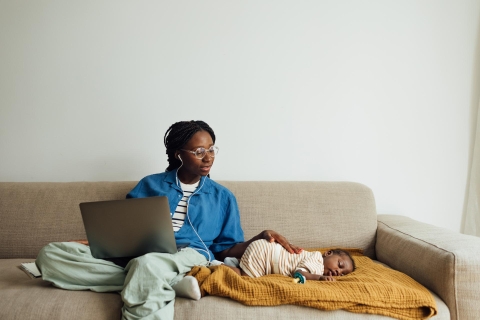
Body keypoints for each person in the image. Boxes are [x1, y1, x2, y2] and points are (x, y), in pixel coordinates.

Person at [35, 120, 302, 320]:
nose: (208, 157)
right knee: (50, 254)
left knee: (147, 263)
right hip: (138, 255)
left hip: (189, 255)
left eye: (211, 149)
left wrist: (259, 237)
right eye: (198, 151)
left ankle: (156, 276)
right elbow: (125, 229)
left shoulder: (222, 197)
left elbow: (224, 249)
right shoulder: (150, 184)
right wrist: (95, 242)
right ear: (179, 154)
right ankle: (171, 282)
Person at [225, 239, 355, 281]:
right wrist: (319, 278)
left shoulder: (313, 258)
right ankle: (220, 267)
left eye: (342, 273)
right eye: (340, 264)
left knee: (247, 271)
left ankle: (235, 262)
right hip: (265, 255)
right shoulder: (317, 263)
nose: (338, 271)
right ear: (328, 253)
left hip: (264, 249)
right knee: (245, 278)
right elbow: (299, 273)